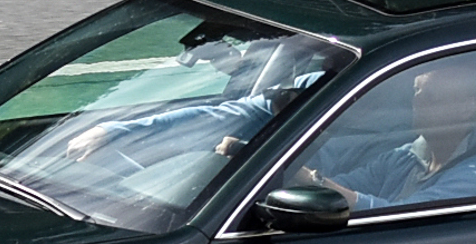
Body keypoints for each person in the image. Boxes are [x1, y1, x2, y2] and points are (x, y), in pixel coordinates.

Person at [65, 35, 335, 168]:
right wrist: (113, 131)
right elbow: (231, 114)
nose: (331, 65)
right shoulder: (316, 88)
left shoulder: (374, 134)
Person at [296, 59, 476, 211]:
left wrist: (311, 179)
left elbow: (398, 216)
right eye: (416, 91)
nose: (416, 102)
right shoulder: (407, 155)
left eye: (430, 95)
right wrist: (298, 182)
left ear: (466, 108)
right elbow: (351, 184)